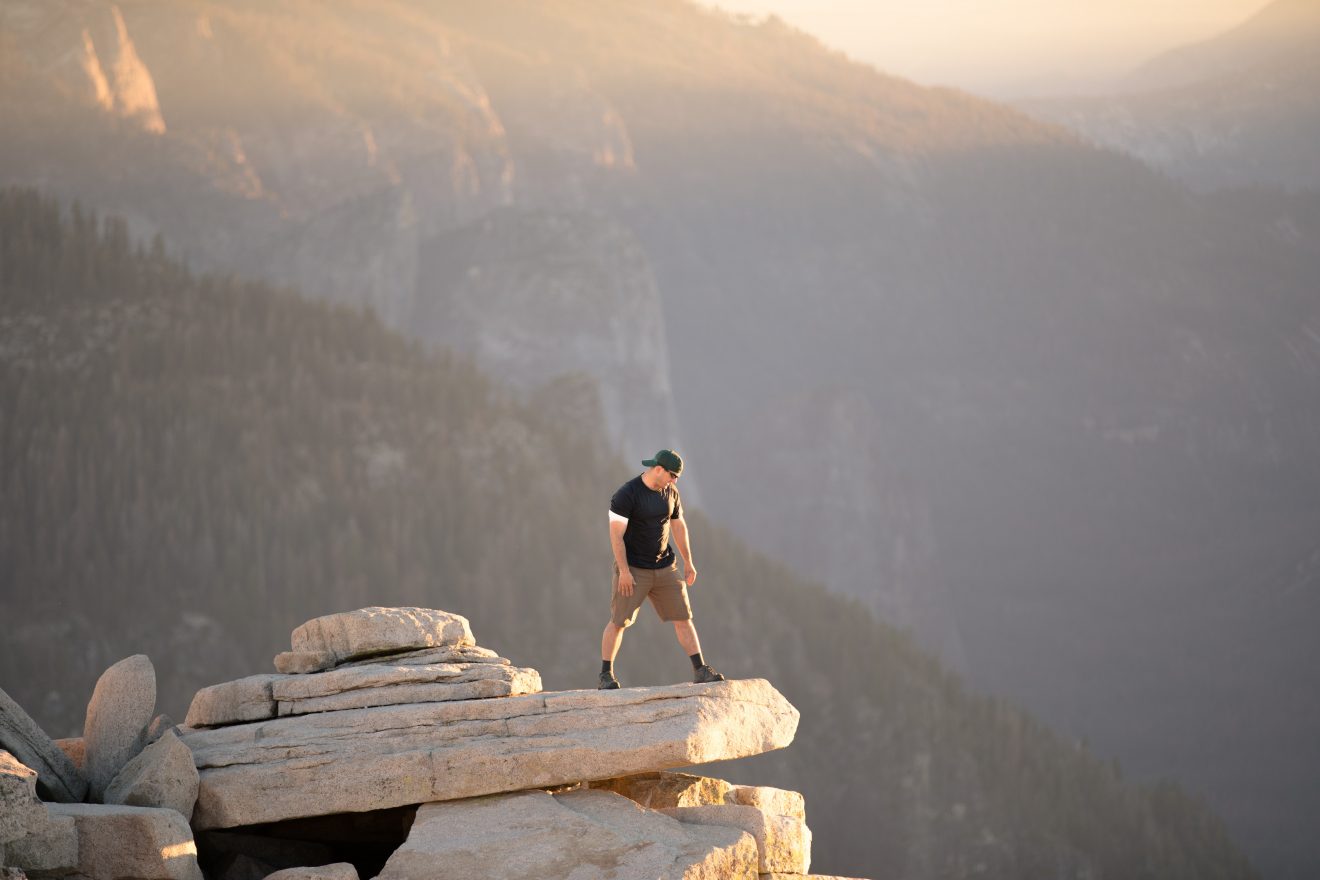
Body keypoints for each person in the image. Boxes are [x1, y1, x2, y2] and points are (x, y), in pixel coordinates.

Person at [599, 448, 725, 689]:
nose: (675, 480)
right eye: (672, 475)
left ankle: (700, 669)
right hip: (633, 569)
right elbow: (616, 537)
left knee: (683, 617)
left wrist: (688, 561)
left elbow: (679, 526)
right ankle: (606, 675)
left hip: (665, 567)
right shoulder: (627, 494)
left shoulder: (671, 492)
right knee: (618, 621)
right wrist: (624, 572)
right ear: (658, 469)